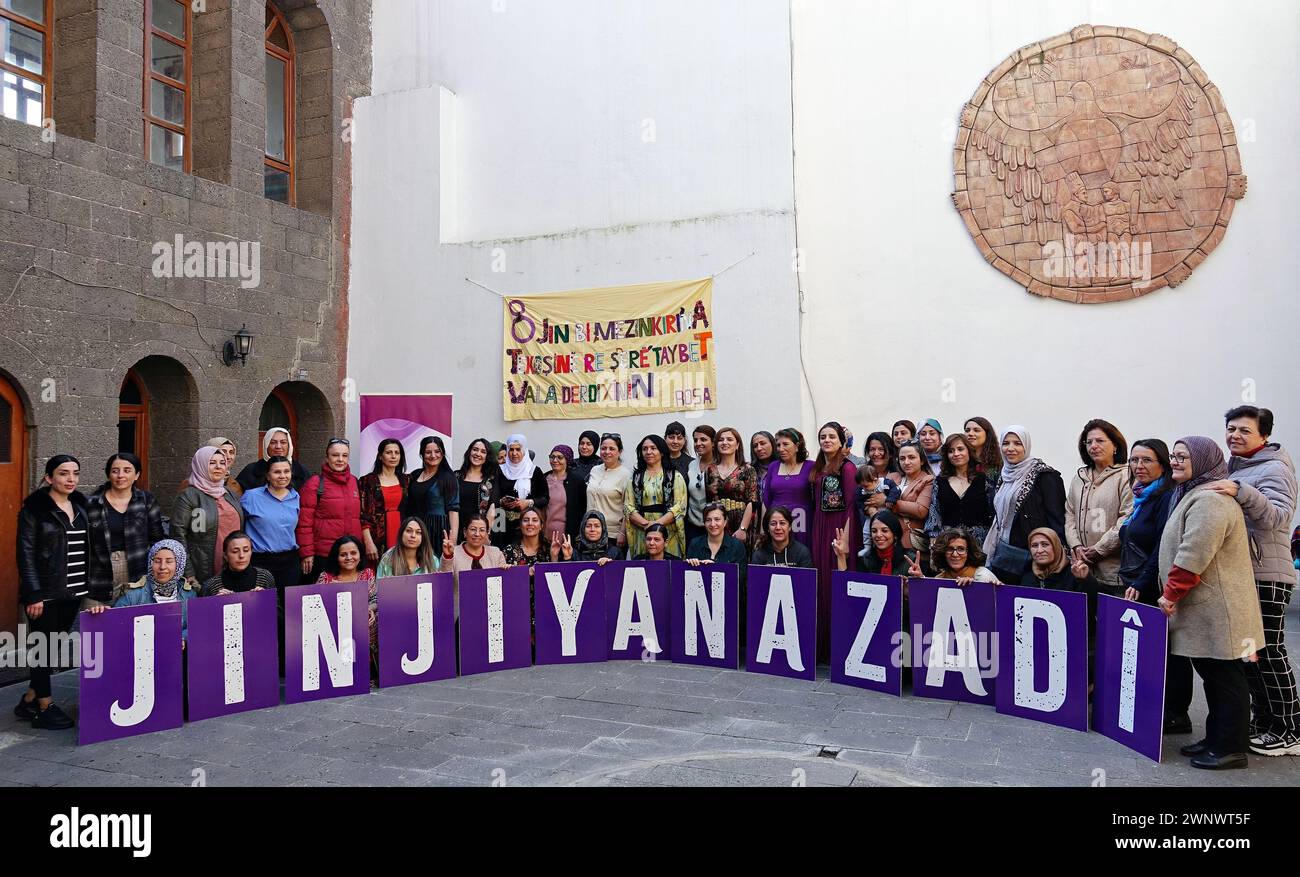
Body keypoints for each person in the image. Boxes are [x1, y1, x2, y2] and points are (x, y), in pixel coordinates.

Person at [1158, 436, 1265, 770]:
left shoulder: (1211, 500)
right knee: (1214, 676)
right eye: (1173, 456)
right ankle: (1216, 738)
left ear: (1203, 460)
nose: (1174, 461)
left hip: (1219, 611)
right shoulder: (1194, 493)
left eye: (1183, 456)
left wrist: (1171, 592)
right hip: (1205, 610)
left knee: (1225, 678)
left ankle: (1231, 747)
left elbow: (1194, 553)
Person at [1211, 406, 1299, 756]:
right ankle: (1264, 722)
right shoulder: (1236, 467)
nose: (1235, 435)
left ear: (1264, 436)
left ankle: (1290, 728)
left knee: (1270, 652)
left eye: (1244, 431)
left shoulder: (1275, 468)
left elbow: (1279, 517)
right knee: (1251, 654)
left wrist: (1241, 491)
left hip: (1267, 574)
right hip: (1242, 574)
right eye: (1231, 429)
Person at [15, 455, 89, 730]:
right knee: (41, 649)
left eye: (75, 473)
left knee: (53, 647)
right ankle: (44, 705)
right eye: (63, 473)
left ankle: (29, 698)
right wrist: (33, 593)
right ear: (49, 478)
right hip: (45, 593)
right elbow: (25, 554)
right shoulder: (34, 510)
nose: (70, 479)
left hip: (74, 590)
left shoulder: (81, 507)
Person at [983, 426, 1066, 584]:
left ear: (1026, 446)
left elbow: (1057, 520)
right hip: (1005, 554)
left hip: (1034, 556)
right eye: (1006, 443)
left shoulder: (1045, 476)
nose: (1011, 448)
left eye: (1017, 443)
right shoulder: (1004, 475)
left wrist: (1058, 559)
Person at [84, 452, 164, 610]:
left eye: (127, 470)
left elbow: (157, 538)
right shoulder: (91, 503)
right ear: (108, 474)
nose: (120, 475)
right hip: (99, 573)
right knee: (96, 627)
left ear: (137, 475)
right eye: (115, 471)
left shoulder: (146, 500)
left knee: (132, 623)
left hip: (137, 568)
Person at [1065, 419, 1134, 597]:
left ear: (1115, 446)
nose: (1093, 446)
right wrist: (1076, 545)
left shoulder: (1126, 476)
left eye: (1100, 441)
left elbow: (1127, 518)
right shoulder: (1079, 478)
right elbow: (1070, 514)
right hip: (1082, 569)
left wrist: (1099, 549)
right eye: (1089, 442)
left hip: (1114, 574)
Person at [811, 422, 859, 660]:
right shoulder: (819, 467)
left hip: (840, 527)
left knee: (835, 581)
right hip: (820, 526)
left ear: (841, 441)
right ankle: (822, 645)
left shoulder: (848, 468)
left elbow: (851, 505)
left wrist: (847, 540)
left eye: (831, 436)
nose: (826, 440)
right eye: (822, 437)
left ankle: (840, 646)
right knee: (821, 582)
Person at [173, 446, 245, 585]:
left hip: (233, 566)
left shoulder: (230, 494)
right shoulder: (188, 496)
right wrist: (188, 572)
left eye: (222, 463)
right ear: (200, 465)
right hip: (202, 569)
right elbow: (178, 535)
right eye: (212, 463)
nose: (218, 467)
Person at [102, 539, 199, 640]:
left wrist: (181, 637)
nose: (162, 567)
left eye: (169, 561)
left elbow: (196, 626)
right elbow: (115, 626)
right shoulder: (133, 595)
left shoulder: (189, 595)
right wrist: (101, 615)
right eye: (157, 561)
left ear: (179, 565)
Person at [297, 438, 363, 583]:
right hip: (324, 554)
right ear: (327, 457)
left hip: (350, 556)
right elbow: (304, 523)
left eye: (344, 455)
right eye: (335, 455)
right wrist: (307, 553)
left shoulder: (354, 482)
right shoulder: (314, 483)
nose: (340, 459)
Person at [1119, 439, 1175, 606]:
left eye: (1147, 460)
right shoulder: (1141, 497)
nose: (1139, 466)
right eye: (1134, 460)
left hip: (1151, 589)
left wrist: (1142, 581)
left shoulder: (1166, 497)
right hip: (1133, 585)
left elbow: (1162, 545)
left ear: (1163, 465)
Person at [317, 535, 377, 673]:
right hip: (334, 628)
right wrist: (331, 593)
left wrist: (369, 609)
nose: (349, 557)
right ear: (336, 558)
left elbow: (374, 599)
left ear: (360, 556)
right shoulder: (326, 577)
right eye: (343, 554)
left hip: (363, 625)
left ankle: (368, 669)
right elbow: (317, 607)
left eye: (353, 553)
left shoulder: (367, 574)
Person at [241, 456, 302, 591]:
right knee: (262, 606)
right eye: (277, 472)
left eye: (286, 471)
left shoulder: (296, 497)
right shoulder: (251, 497)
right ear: (268, 476)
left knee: (287, 606)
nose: (282, 476)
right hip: (260, 561)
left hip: (289, 561)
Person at [923, 434, 993, 549]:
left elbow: (992, 512)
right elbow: (935, 510)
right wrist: (934, 536)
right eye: (951, 451)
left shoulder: (984, 480)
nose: (956, 454)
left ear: (969, 452)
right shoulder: (940, 481)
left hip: (979, 543)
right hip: (948, 543)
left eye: (960, 449)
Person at [625, 434, 687, 558]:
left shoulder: (674, 476)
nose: (649, 452)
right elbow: (628, 507)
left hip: (668, 531)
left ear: (662, 452)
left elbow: (680, 506)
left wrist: (657, 525)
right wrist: (646, 525)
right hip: (642, 531)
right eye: (645, 449)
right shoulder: (635, 478)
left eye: (653, 448)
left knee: (668, 569)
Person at [400, 436, 459, 559]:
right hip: (415, 530)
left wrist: (453, 539)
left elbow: (453, 511)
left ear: (442, 453)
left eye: (437, 451)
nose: (433, 455)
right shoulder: (415, 475)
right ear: (422, 454)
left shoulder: (448, 478)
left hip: (436, 531)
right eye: (428, 452)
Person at [705, 427, 759, 548]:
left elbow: (751, 501)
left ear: (737, 445)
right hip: (717, 522)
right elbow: (709, 501)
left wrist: (743, 529)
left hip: (741, 521)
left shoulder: (747, 469)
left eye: (729, 439)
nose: (725, 442)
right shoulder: (710, 469)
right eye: (721, 440)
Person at [360, 438, 410, 565]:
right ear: (380, 456)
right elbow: (364, 515)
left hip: (402, 533)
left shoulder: (407, 480)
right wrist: (368, 542)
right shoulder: (368, 481)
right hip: (376, 535)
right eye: (389, 452)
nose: (393, 456)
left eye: (397, 453)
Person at [762, 428, 814, 549]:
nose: (780, 449)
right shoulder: (773, 466)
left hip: (802, 522)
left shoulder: (810, 466)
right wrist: (763, 528)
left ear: (797, 446)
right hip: (777, 523)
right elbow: (766, 499)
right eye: (778, 445)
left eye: (785, 444)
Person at [498, 433, 548, 547]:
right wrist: (502, 501)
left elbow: (545, 498)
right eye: (511, 449)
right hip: (502, 523)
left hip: (528, 524)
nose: (514, 453)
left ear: (524, 450)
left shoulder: (534, 471)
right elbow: (493, 495)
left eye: (518, 449)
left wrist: (528, 503)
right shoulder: (500, 470)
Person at [888, 441, 935, 560]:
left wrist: (888, 501)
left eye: (912, 457)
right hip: (887, 538)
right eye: (902, 458)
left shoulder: (928, 480)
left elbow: (921, 510)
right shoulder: (892, 477)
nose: (906, 462)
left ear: (922, 460)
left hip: (910, 541)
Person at [833, 509, 916, 576]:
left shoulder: (910, 559)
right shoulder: (866, 560)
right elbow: (850, 590)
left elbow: (922, 593)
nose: (878, 535)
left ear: (895, 534)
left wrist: (919, 579)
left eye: (884, 530)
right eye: (874, 531)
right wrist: (841, 557)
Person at [586, 433, 631, 555]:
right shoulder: (595, 470)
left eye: (612, 449)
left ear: (619, 451)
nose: (607, 452)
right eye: (603, 448)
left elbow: (628, 507)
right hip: (591, 532)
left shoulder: (626, 475)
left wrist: (622, 533)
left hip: (612, 534)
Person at [200, 531, 276, 596]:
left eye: (246, 550)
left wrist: (266, 600)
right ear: (225, 555)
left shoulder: (265, 577)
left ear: (251, 553)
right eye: (235, 551)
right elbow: (201, 612)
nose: (241, 556)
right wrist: (216, 603)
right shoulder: (211, 586)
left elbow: (278, 611)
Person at [236, 427, 310, 492]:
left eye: (283, 442)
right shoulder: (251, 470)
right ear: (266, 445)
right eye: (273, 442)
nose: (278, 446)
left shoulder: (301, 471)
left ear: (289, 445)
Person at [456, 438, 501, 544]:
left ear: (487, 457)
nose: (478, 454)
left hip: (479, 534)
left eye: (483, 451)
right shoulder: (456, 476)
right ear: (469, 452)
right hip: (457, 530)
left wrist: (484, 535)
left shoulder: (491, 480)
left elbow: (492, 509)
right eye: (475, 449)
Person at [923, 527, 999, 586]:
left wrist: (973, 587)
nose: (955, 554)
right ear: (942, 552)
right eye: (950, 549)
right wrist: (919, 580)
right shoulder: (939, 579)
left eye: (961, 549)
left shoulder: (983, 576)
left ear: (968, 552)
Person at [544, 445, 586, 542]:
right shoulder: (543, 478)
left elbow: (582, 508)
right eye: (552, 457)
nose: (555, 460)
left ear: (567, 459)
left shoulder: (576, 481)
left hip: (567, 535)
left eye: (560, 457)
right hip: (544, 533)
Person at [686, 503, 748, 568]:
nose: (712, 524)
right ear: (704, 523)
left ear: (725, 522)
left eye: (717, 519)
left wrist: (716, 567)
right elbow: (687, 575)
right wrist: (690, 565)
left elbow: (741, 576)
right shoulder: (695, 544)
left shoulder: (737, 546)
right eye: (708, 520)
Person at [750, 505, 814, 568]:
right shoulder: (759, 554)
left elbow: (806, 578)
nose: (778, 527)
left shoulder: (802, 552)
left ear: (789, 527)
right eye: (773, 524)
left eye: (782, 523)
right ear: (768, 529)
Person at [685, 425, 717, 549]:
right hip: (693, 526)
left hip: (714, 525)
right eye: (695, 440)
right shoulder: (692, 464)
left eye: (703, 440)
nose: (698, 443)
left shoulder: (720, 465)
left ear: (713, 443)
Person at [551, 510, 622, 564]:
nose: (592, 529)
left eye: (597, 526)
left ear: (603, 529)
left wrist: (611, 566)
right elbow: (566, 578)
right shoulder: (574, 552)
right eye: (588, 526)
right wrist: (567, 558)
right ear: (583, 529)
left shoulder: (615, 552)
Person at [964, 417, 1003, 491]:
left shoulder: (997, 461)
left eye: (976, 430)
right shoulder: (960, 459)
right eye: (967, 430)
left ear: (987, 434)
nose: (970, 433)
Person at [504, 506, 547, 574]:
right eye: (526, 520)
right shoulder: (509, 551)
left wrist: (556, 556)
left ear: (541, 526)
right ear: (520, 525)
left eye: (535, 520)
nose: (530, 523)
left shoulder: (549, 549)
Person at [750, 431, 776, 500]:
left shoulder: (782, 467)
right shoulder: (750, 469)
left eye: (763, 443)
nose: (759, 448)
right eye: (755, 446)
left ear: (773, 444)